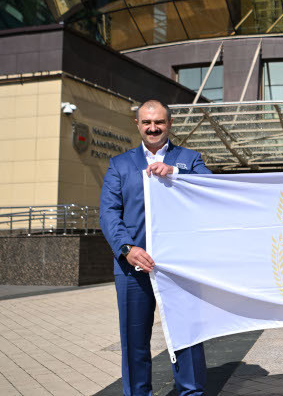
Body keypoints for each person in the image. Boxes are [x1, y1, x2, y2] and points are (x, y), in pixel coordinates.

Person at [100, 99, 212, 396]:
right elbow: (109, 213)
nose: (153, 128)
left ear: (169, 124)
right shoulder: (120, 165)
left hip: (180, 266)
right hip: (133, 267)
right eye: (147, 122)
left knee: (186, 337)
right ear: (137, 124)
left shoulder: (189, 158)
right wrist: (127, 248)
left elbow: (212, 190)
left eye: (159, 122)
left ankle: (191, 392)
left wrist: (175, 172)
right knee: (134, 339)